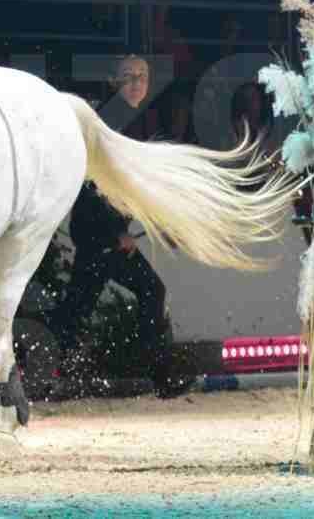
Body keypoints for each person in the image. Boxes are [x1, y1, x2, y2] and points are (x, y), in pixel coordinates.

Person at [48, 55, 188, 397]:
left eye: (142, 76)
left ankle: (53, 365)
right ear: (115, 81)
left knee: (79, 305)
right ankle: (154, 372)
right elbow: (95, 184)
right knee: (144, 291)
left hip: (104, 231)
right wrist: (116, 233)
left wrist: (160, 224)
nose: (137, 82)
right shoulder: (112, 119)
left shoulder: (134, 118)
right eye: (130, 76)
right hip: (99, 230)